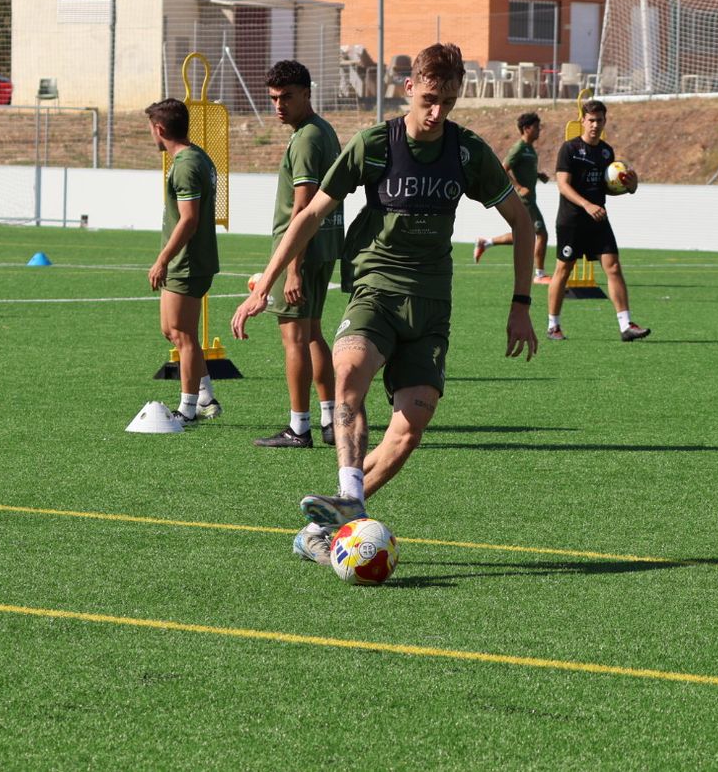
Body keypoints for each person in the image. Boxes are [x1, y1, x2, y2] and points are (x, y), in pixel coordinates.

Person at [230, 44, 538, 566]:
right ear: (410, 88)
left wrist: (521, 304)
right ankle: (349, 492)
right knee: (348, 372)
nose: (438, 112)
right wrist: (267, 281)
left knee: (408, 430)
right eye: (431, 99)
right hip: (374, 286)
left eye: (449, 100)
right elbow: (309, 215)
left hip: (432, 304)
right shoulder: (375, 144)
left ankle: (330, 526)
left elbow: (523, 223)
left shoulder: (467, 152)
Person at [253, 61, 344, 449]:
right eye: (273, 98)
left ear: (307, 93)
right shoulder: (322, 130)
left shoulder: (307, 137)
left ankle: (298, 428)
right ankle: (328, 419)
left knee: (294, 338)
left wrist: (292, 269)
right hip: (324, 245)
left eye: (287, 96)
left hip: (303, 252)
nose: (279, 105)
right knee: (312, 335)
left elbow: (303, 207)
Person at [544, 99, 650, 342]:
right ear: (582, 120)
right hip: (572, 221)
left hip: (598, 219)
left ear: (605, 122)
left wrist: (629, 187)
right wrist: (587, 205)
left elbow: (606, 188)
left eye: (599, 120)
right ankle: (553, 326)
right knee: (563, 269)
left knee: (613, 266)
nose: (594, 125)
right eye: (591, 120)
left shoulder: (606, 152)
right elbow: (562, 185)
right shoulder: (569, 149)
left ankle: (626, 325)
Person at [145, 98, 222, 425]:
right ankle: (205, 396)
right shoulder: (197, 156)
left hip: (188, 262)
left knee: (183, 334)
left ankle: (187, 409)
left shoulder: (188, 164)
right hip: (187, 261)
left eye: (151, 129)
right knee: (172, 330)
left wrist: (162, 259)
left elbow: (189, 220)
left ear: (160, 129)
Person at [473, 111, 551, 283]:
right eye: (537, 127)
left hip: (531, 199)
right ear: (526, 128)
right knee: (541, 234)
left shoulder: (529, 149)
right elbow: (502, 168)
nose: (539, 131)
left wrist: (538, 175)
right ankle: (539, 275)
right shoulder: (519, 148)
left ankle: (485, 243)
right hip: (525, 201)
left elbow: (525, 169)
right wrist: (518, 187)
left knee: (523, 234)